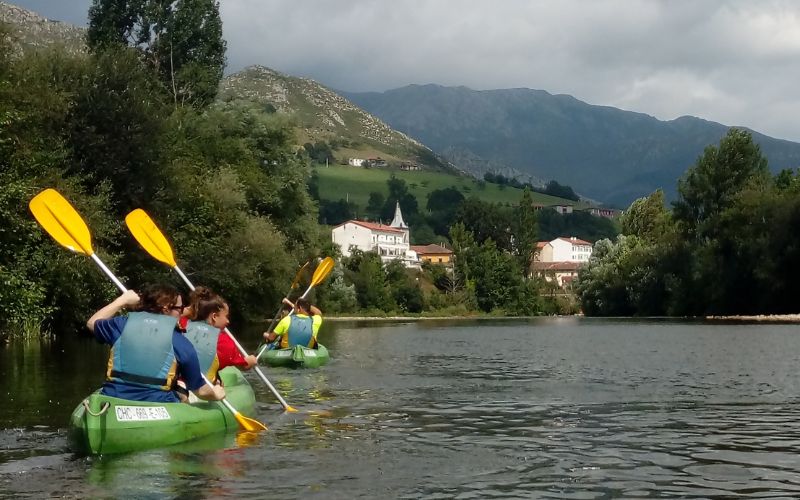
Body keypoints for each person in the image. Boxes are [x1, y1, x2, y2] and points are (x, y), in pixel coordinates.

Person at [86, 284, 225, 403]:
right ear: (166, 309)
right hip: (158, 403)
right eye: (180, 309)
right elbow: (200, 390)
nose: (182, 313)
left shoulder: (121, 324)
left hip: (113, 397)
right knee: (182, 393)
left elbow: (92, 323)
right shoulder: (180, 342)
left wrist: (122, 300)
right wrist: (216, 393)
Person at [180, 287, 256, 379]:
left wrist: (196, 307)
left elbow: (177, 313)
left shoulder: (182, 325)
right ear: (214, 316)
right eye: (226, 316)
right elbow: (244, 366)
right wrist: (251, 361)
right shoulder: (224, 342)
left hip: (180, 385)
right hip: (204, 390)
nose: (228, 321)